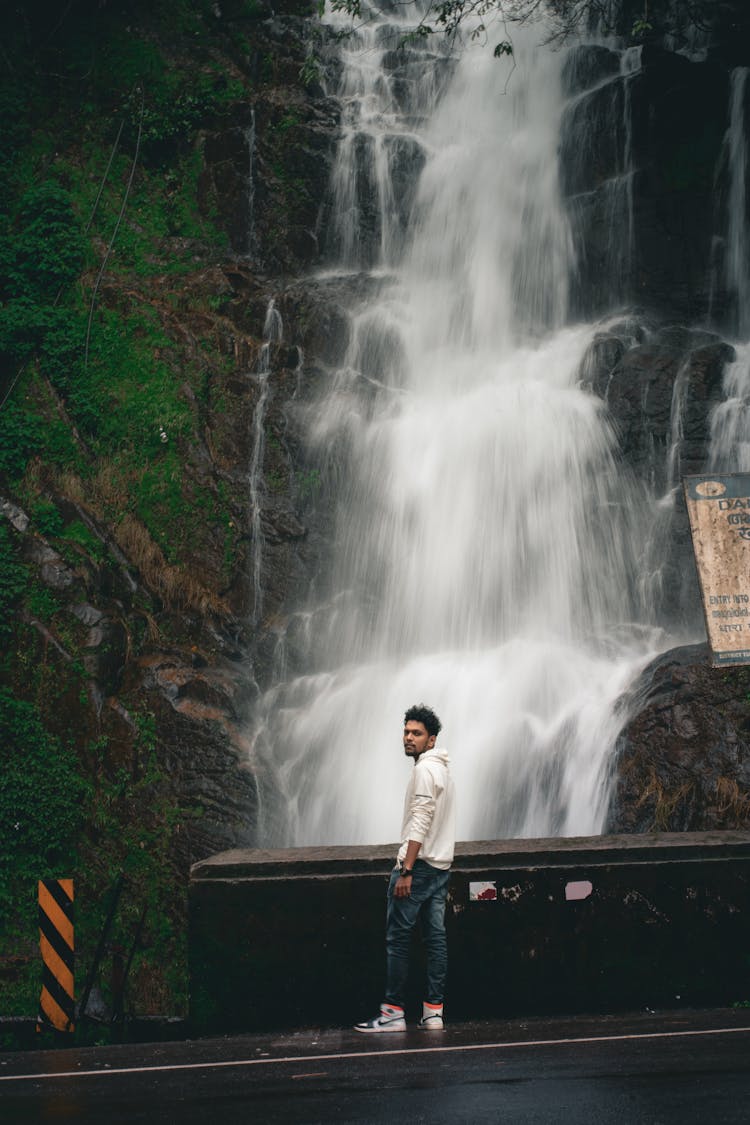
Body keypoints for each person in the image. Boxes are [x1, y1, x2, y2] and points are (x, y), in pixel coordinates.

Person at [355, 703, 456, 1033]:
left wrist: (407, 870)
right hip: (441, 868)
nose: (408, 738)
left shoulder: (424, 770)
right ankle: (433, 1013)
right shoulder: (443, 771)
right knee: (435, 940)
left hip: (421, 867)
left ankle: (393, 1013)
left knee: (398, 941)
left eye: (417, 733)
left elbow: (422, 819)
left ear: (431, 740)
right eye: (406, 732)